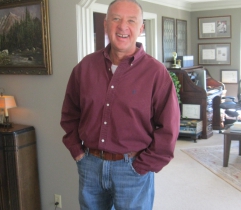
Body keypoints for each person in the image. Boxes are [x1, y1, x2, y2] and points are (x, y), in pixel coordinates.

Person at [60, 0, 180, 209]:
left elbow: (169, 127)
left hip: (133, 168)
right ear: (106, 24)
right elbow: (70, 114)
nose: (123, 27)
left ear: (141, 28)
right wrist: (77, 152)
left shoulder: (156, 72)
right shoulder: (84, 67)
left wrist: (145, 166)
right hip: (90, 165)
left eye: (131, 21)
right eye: (116, 19)